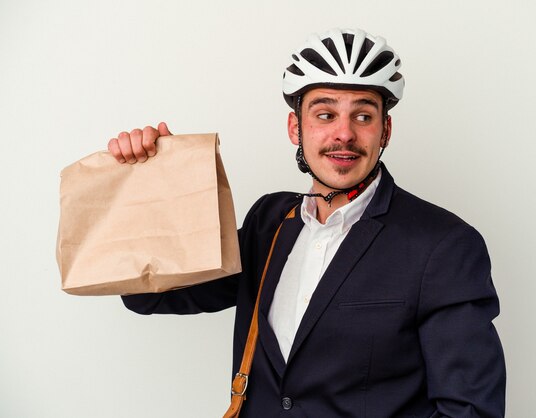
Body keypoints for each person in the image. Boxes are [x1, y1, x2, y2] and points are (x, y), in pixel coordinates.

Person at [112, 28, 506, 417]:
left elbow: (470, 410)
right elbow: (151, 293)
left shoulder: (443, 246)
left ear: (385, 130)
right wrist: (149, 179)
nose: (344, 134)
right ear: (295, 128)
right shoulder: (270, 222)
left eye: (363, 115)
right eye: (325, 113)